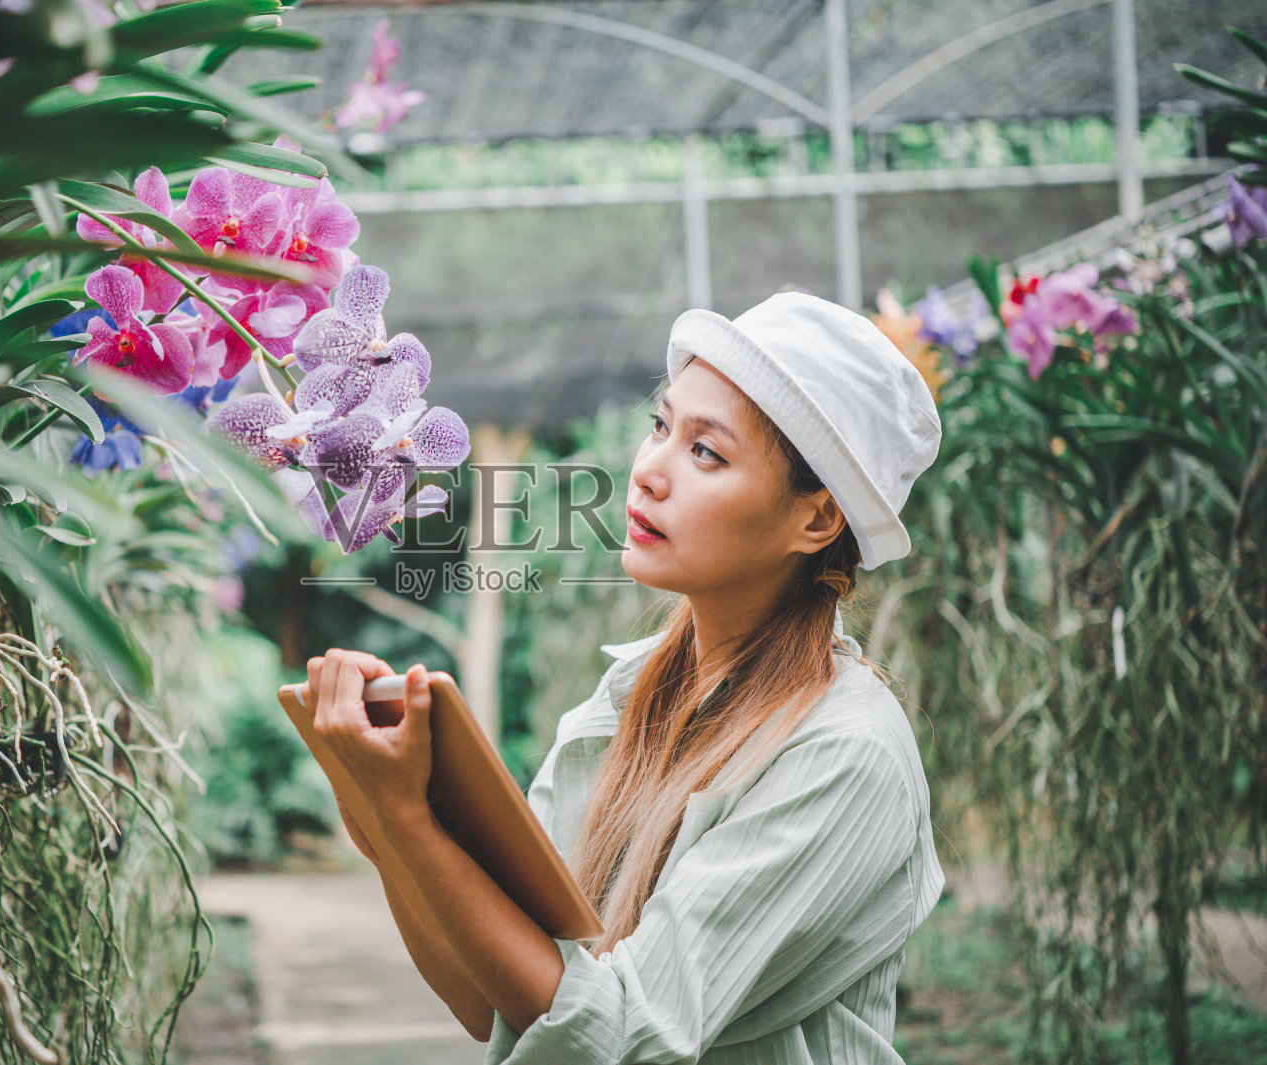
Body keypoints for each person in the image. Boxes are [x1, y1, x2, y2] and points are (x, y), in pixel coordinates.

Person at [304, 291, 946, 1064]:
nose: (648, 472)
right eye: (661, 427)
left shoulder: (844, 753)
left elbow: (609, 1035)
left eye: (706, 452)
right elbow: (494, 1002)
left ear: (815, 520)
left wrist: (409, 821)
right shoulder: (627, 699)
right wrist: (383, 815)